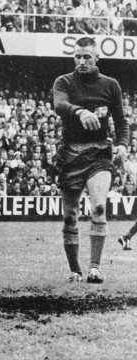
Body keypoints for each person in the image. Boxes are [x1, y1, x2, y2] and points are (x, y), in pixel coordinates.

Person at [53, 37, 128, 283]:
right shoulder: (64, 81)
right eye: (77, 56)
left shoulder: (110, 85)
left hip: (99, 153)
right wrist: (80, 111)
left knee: (98, 207)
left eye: (87, 56)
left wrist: (122, 145)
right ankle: (75, 271)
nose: (82, 61)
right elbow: (60, 104)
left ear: (97, 58)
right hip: (70, 152)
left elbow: (121, 121)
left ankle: (95, 268)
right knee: (70, 215)